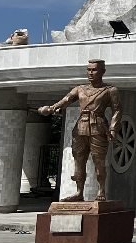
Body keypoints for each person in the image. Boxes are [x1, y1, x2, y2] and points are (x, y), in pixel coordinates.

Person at [38, 59, 122, 201]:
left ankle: (101, 190)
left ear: (102, 72)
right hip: (80, 127)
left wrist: (113, 129)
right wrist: (52, 108)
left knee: (98, 160)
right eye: (88, 70)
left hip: (98, 127)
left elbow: (117, 110)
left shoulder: (110, 90)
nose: (90, 73)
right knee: (79, 160)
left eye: (94, 70)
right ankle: (79, 192)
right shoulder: (79, 89)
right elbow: (66, 100)